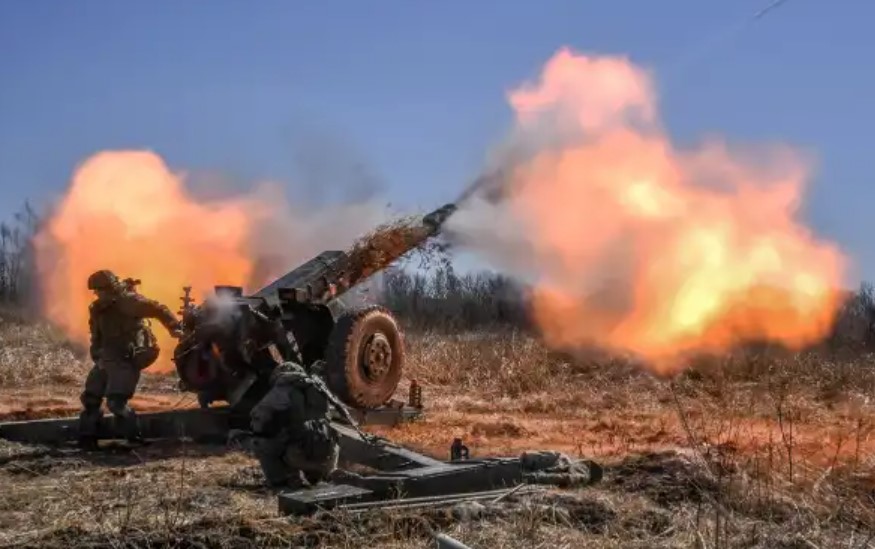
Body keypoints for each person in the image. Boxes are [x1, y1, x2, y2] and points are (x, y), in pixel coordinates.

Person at [78, 269, 183, 449]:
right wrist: (97, 357)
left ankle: (134, 438)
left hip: (127, 358)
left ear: (110, 288)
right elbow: (96, 338)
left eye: (100, 290)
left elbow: (159, 309)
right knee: (90, 399)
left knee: (116, 403)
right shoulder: (97, 310)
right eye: (96, 291)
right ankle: (88, 438)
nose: (97, 294)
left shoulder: (128, 302)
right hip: (107, 358)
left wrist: (173, 327)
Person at [232, 360, 342, 489]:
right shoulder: (318, 387)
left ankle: (281, 480)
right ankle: (319, 476)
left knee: (260, 442)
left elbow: (258, 420)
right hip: (327, 456)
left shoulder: (281, 389)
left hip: (298, 455)